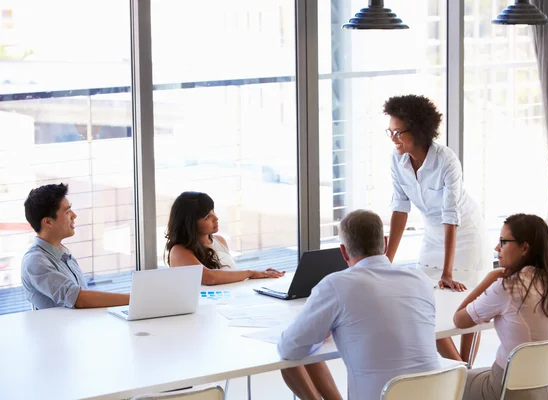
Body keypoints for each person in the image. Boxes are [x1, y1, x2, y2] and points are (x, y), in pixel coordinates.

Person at [278, 209, 440, 400]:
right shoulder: (419, 279)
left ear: (343, 252)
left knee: (287, 364)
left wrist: (321, 332)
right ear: (386, 243)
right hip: (435, 394)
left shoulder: (336, 285)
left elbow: (289, 348)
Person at [383, 94, 491, 361]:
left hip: (464, 234)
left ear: (418, 130)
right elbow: (399, 208)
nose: (393, 138)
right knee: (421, 303)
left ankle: (467, 369)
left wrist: (447, 271)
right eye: (390, 131)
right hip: (432, 235)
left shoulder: (446, 161)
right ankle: (459, 370)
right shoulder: (397, 160)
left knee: (470, 307)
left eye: (398, 132)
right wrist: (385, 261)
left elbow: (450, 215)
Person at [454, 214, 548, 400]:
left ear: (524, 248)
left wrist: (490, 278)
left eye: (503, 242)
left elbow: (460, 319)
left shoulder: (509, 286)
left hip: (511, 390)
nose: (497, 248)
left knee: (450, 382)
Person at [21, 183, 130, 309]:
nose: (74, 215)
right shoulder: (35, 262)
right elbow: (79, 299)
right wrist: (134, 299)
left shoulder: (65, 256)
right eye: (67, 211)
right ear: (48, 222)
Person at [165, 191, 285, 285]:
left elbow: (228, 276)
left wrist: (263, 274)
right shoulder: (179, 250)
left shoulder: (220, 240)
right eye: (207, 217)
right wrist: (251, 273)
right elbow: (209, 278)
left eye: (213, 212)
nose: (216, 218)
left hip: (229, 303)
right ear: (189, 223)